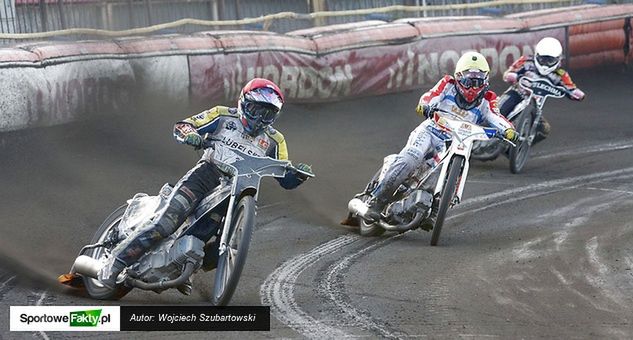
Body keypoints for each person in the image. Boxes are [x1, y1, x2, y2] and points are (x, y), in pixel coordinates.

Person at [98, 78, 313, 288]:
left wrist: (298, 174)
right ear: (244, 103)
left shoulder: (276, 140)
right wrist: (190, 135)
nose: (260, 118)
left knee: (231, 245)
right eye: (257, 110)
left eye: (268, 114)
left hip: (238, 190)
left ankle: (185, 266)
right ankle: (114, 263)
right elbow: (183, 126)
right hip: (204, 177)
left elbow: (284, 177)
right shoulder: (222, 115)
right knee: (166, 222)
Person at [362, 51, 517, 229]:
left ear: (486, 81)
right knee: (411, 158)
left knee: (443, 173)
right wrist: (426, 105)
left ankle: (434, 209)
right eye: (469, 80)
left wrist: (509, 130)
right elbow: (430, 96)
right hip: (431, 131)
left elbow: (497, 117)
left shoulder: (488, 100)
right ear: (458, 77)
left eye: (478, 81)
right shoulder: (447, 84)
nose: (473, 87)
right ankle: (377, 201)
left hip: (454, 143)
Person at [500, 37, 585, 144]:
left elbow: (571, 88)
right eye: (543, 59)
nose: (545, 64)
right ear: (537, 55)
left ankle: (516, 149)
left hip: (535, 105)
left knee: (544, 130)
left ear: (558, 59)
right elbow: (509, 73)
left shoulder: (560, 74)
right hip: (517, 93)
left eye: (550, 60)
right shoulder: (526, 61)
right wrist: (513, 76)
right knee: (498, 110)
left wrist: (576, 94)